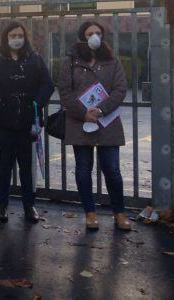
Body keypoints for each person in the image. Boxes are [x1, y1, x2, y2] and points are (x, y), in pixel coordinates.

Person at [58, 21, 130, 231]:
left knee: (112, 169)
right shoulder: (71, 61)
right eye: (90, 33)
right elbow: (64, 91)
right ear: (82, 37)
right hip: (79, 123)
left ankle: (120, 213)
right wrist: (83, 113)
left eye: (98, 33)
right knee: (83, 169)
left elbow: (120, 89)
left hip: (107, 122)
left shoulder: (112, 61)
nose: (94, 36)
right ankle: (90, 213)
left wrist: (101, 110)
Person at [0, 21, 54, 224]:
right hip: (2, 120)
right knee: (3, 164)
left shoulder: (35, 58)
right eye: (12, 35)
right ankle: (1, 205)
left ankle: (29, 205)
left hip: (27, 120)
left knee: (26, 164)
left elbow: (48, 84)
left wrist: (36, 104)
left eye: (20, 35)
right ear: (6, 37)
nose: (16, 39)